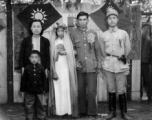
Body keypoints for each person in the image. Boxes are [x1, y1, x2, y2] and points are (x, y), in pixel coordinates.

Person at [101, 7, 132, 120]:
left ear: (117, 19)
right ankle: (112, 112)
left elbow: (128, 49)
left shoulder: (123, 33)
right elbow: (102, 50)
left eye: (114, 18)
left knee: (121, 89)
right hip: (109, 65)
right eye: (109, 18)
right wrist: (109, 59)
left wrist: (121, 57)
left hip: (121, 64)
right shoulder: (103, 35)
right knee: (111, 89)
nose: (112, 20)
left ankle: (124, 113)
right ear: (107, 21)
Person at [70, 11, 101, 118]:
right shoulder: (73, 33)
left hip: (92, 65)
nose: (82, 22)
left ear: (87, 20)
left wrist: (98, 64)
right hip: (79, 66)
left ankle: (92, 112)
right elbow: (71, 49)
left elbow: (97, 50)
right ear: (77, 21)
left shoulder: (93, 33)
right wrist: (75, 62)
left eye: (84, 19)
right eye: (80, 20)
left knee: (92, 91)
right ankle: (82, 111)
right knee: (80, 90)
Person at [49, 22, 78, 118]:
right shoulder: (54, 41)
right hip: (57, 65)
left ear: (64, 31)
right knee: (58, 86)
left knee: (66, 86)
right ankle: (59, 110)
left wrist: (65, 52)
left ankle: (67, 110)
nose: (60, 32)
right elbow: (51, 54)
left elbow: (74, 52)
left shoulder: (68, 41)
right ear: (56, 32)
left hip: (66, 65)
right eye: (58, 30)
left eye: (62, 30)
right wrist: (56, 52)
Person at [20, 50, 48, 120]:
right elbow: (24, 80)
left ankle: (41, 118)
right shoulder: (27, 68)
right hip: (29, 91)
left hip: (40, 90)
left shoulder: (41, 68)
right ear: (29, 58)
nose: (34, 59)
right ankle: (29, 118)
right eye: (32, 57)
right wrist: (23, 90)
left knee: (41, 105)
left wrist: (45, 89)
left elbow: (44, 79)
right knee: (29, 106)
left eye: (36, 57)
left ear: (38, 59)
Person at [141, 24, 152, 101]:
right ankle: (148, 95)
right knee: (146, 79)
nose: (146, 30)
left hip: (146, 62)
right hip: (142, 62)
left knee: (148, 80)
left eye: (147, 29)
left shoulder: (149, 40)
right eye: (145, 28)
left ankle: (149, 95)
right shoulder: (142, 40)